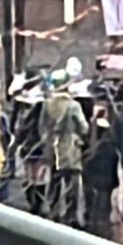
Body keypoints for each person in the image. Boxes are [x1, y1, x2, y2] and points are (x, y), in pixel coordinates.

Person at [42, 71, 89, 225]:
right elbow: (84, 127)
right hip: (70, 149)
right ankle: (70, 216)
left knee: (54, 182)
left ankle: (52, 212)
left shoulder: (47, 104)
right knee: (72, 185)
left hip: (53, 148)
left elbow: (42, 127)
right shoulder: (73, 105)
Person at [82, 101, 121, 234]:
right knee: (104, 200)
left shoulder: (92, 129)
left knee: (91, 197)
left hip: (92, 168)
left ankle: (90, 220)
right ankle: (102, 224)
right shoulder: (111, 134)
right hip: (106, 171)